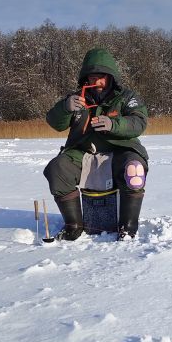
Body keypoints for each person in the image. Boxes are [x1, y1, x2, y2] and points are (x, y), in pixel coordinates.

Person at [44, 48, 148, 241]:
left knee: (134, 169)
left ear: (111, 77)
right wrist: (65, 108)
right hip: (82, 151)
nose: (96, 81)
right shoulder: (76, 98)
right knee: (57, 169)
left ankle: (128, 227)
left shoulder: (127, 97)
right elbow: (54, 123)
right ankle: (73, 226)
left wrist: (113, 124)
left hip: (121, 151)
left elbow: (139, 122)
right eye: (92, 77)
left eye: (101, 77)